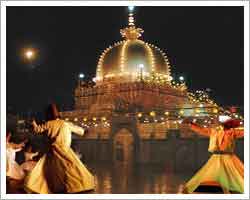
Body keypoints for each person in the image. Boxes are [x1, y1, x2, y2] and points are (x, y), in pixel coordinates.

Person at [24, 103, 95, 194]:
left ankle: (51, 188)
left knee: (47, 171)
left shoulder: (48, 124)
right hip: (64, 150)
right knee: (71, 169)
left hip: (52, 151)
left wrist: (33, 123)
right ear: (58, 113)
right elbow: (79, 130)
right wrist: (84, 132)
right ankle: (74, 186)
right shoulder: (65, 123)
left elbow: (37, 130)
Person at [182, 117, 244, 194]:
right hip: (216, 157)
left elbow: (243, 132)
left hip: (228, 157)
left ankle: (229, 190)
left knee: (235, 175)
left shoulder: (233, 132)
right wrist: (191, 124)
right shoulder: (215, 131)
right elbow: (202, 130)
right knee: (209, 174)